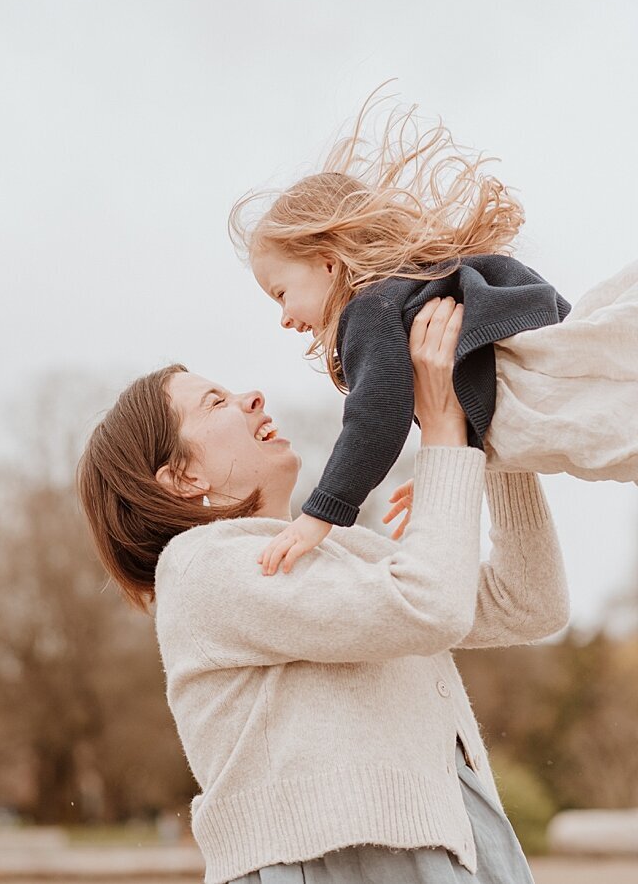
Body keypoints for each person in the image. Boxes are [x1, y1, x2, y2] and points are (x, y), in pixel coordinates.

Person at [76, 298, 569, 884]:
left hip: (453, 839)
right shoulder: (201, 567)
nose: (252, 396)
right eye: (216, 402)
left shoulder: (344, 554)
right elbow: (429, 606)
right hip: (342, 860)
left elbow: (529, 604)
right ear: (184, 477)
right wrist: (440, 430)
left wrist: (488, 441)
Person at [230, 93, 638, 573]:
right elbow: (474, 370)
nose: (283, 318)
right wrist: (451, 462)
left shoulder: (368, 306)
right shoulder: (410, 290)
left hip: (540, 400)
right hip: (546, 385)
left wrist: (321, 514)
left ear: (328, 263)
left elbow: (375, 415)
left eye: (281, 294)